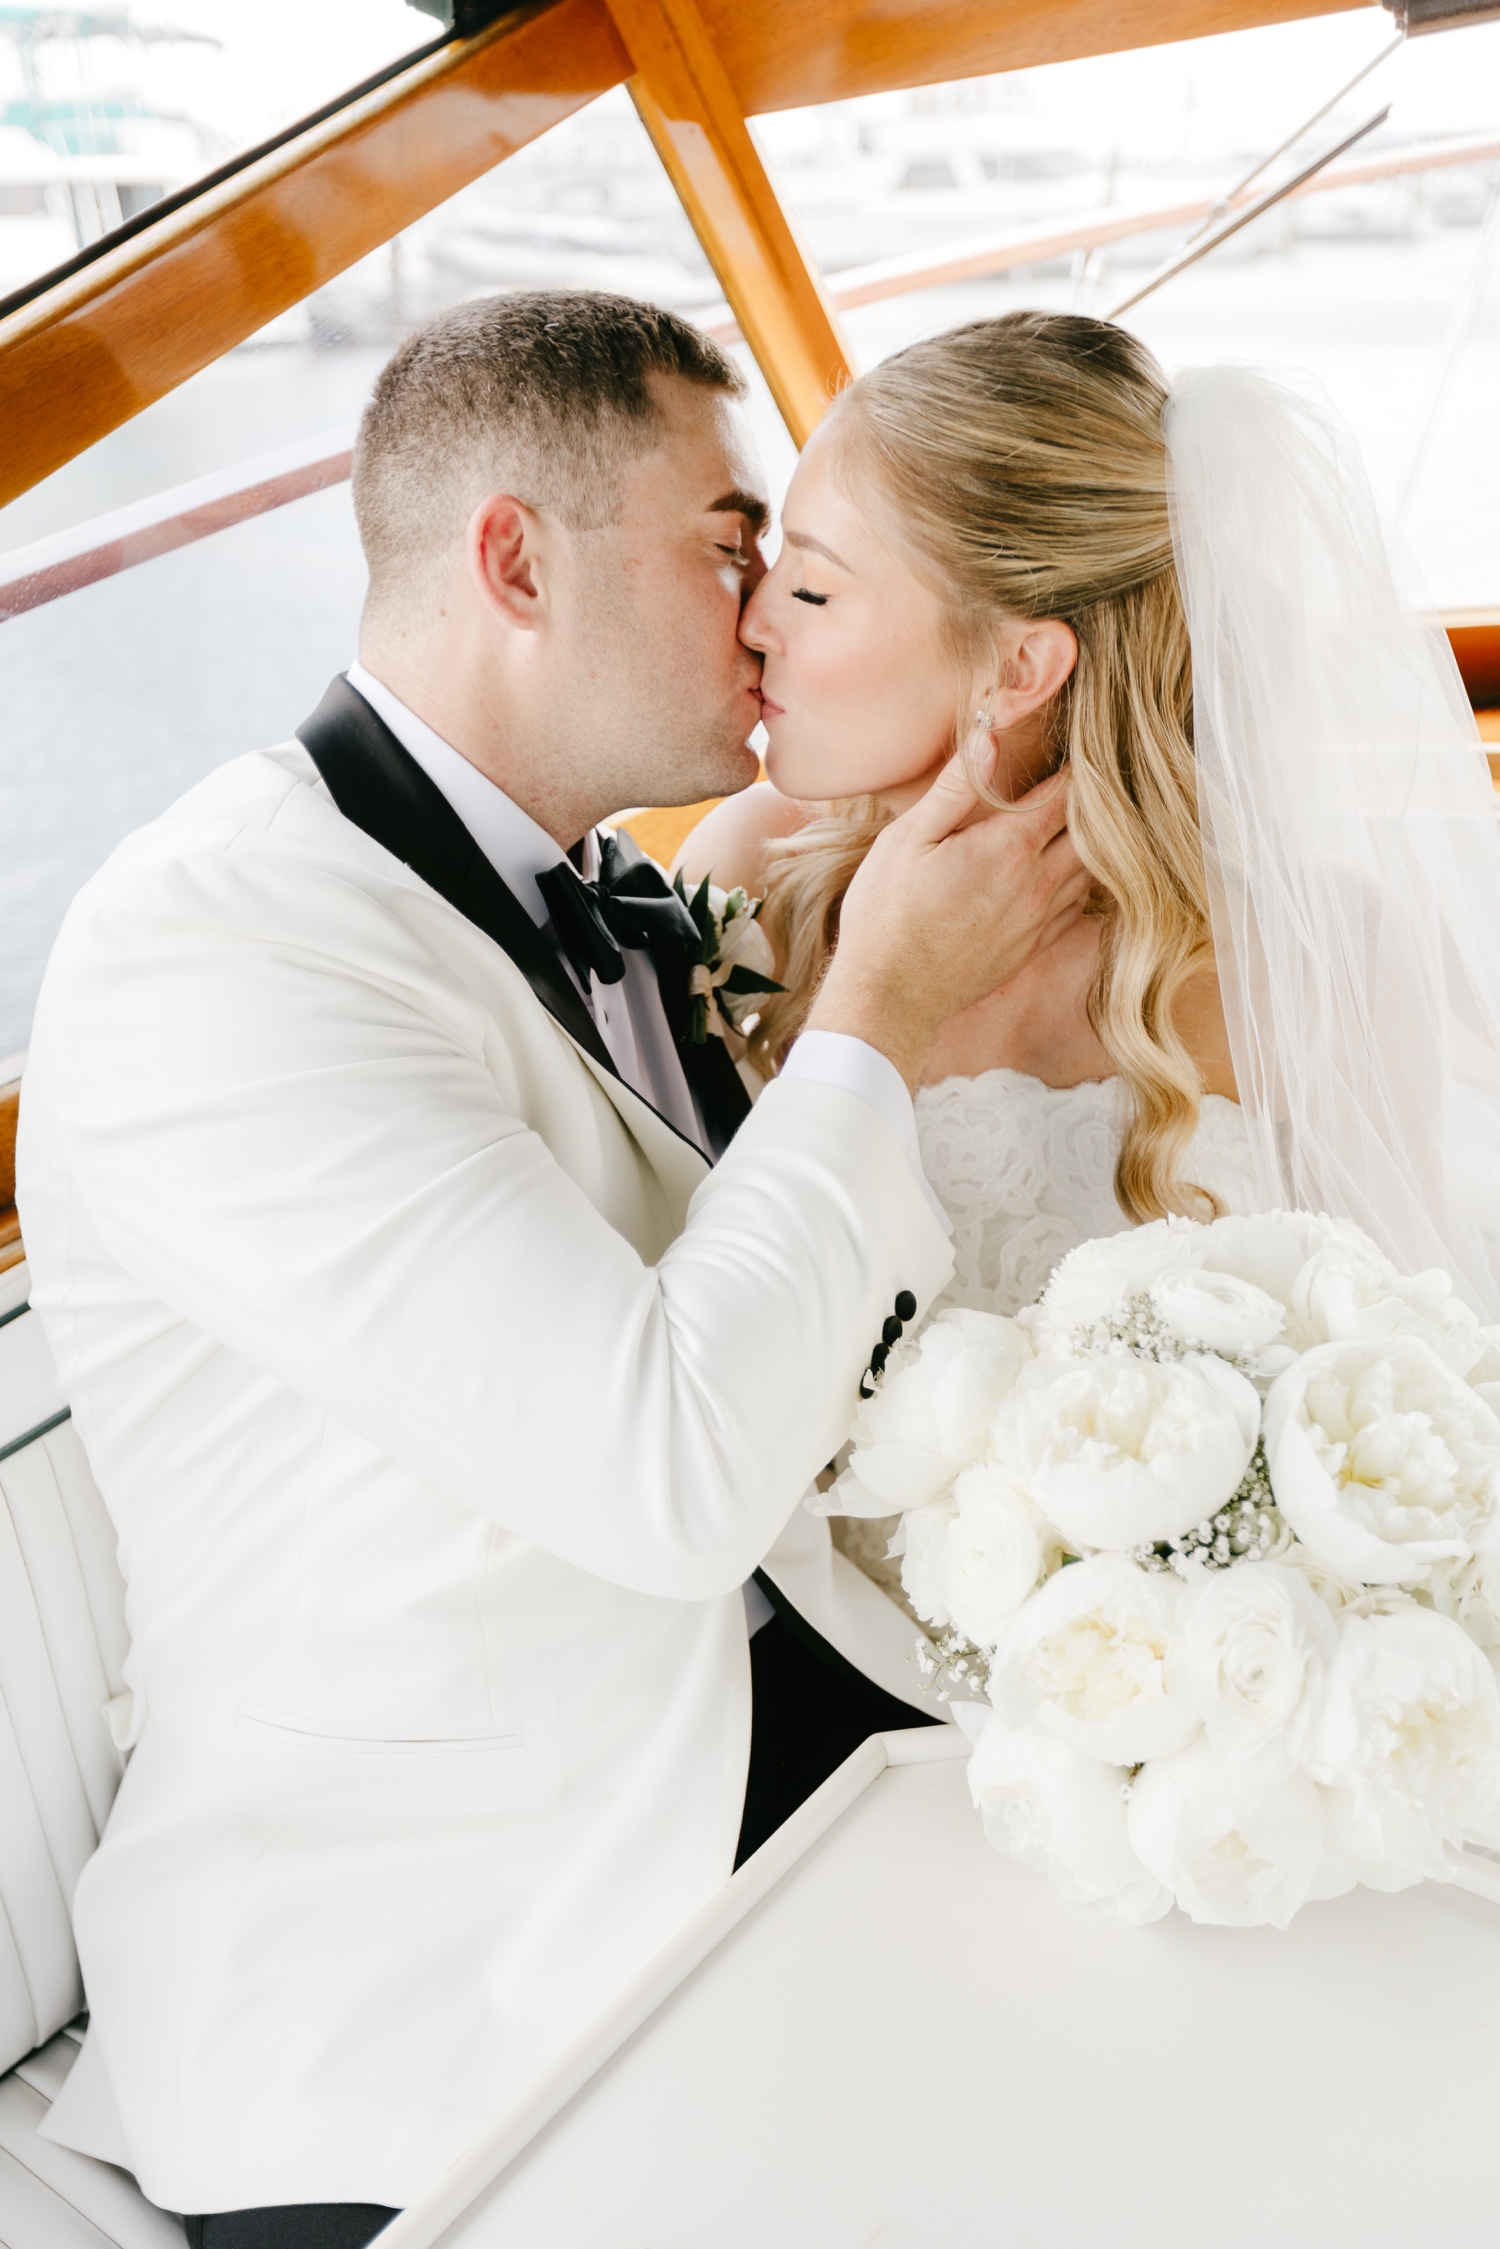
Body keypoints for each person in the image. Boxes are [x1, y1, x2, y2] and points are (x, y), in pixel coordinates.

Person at [15, 291, 1091, 2244]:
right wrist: (880, 1011)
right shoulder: (227, 944)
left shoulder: (613, 890)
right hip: (431, 1988)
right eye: (729, 545)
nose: (765, 613)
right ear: (516, 558)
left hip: (785, 1760)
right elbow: (668, 1474)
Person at [681, 311, 1500, 1364]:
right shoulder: (750, 879)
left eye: (814, 585)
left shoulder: (1318, 948)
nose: (754, 619)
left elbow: (1394, 1373)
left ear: (1020, 667)